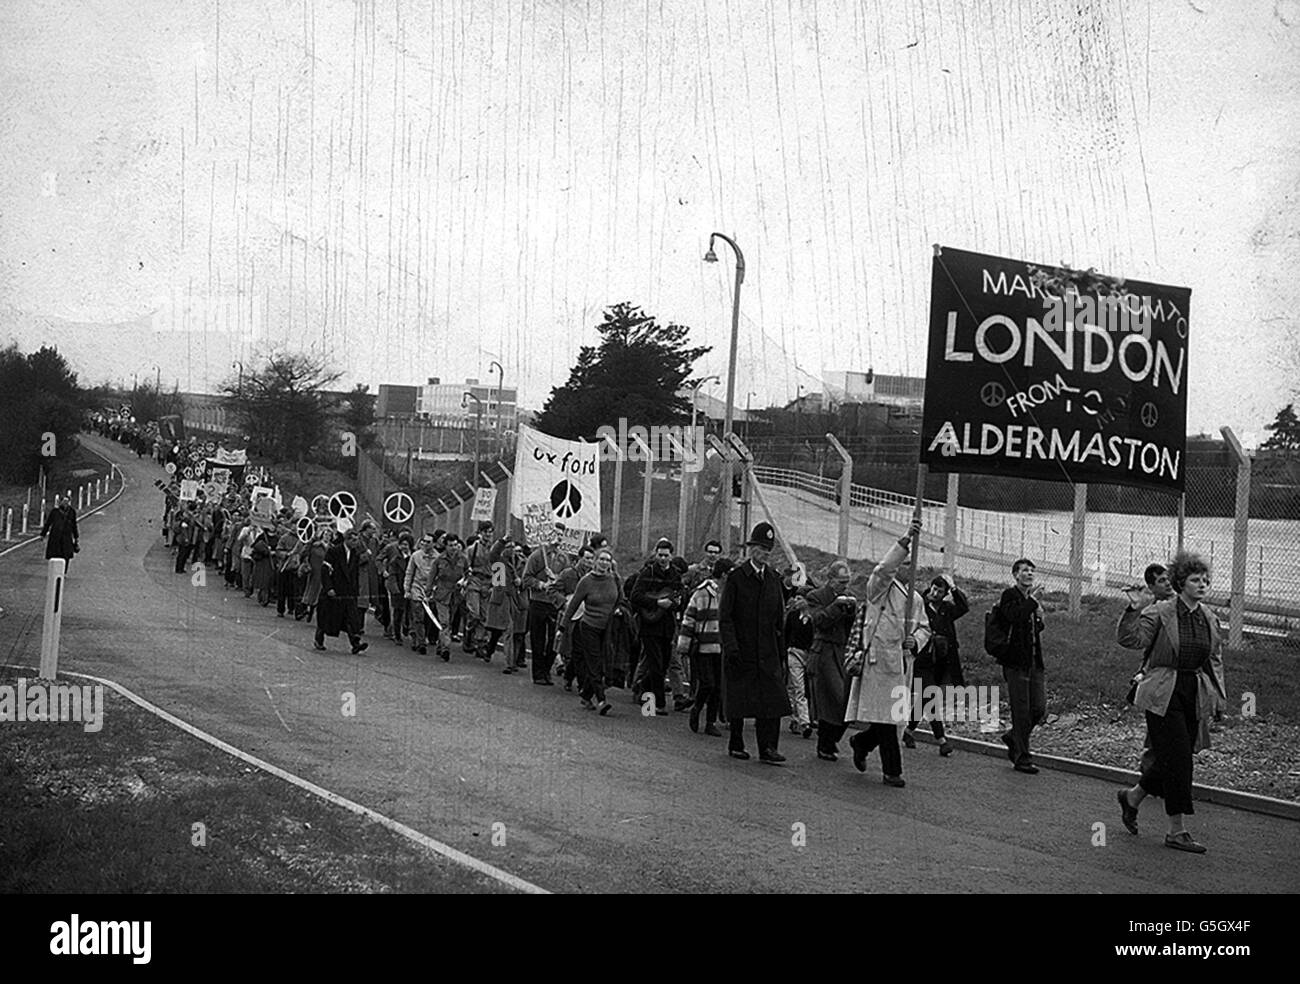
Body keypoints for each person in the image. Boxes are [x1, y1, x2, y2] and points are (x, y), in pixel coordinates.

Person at [1115, 552, 1227, 853]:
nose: (1202, 584)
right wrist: (1133, 610)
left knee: (1171, 759)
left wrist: (1219, 698)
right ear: (1181, 583)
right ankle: (1176, 831)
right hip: (1162, 690)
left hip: (1193, 691)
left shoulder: (1209, 617)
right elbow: (1131, 640)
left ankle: (1132, 797)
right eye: (1195, 580)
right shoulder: (1160, 611)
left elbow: (1214, 660)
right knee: (1179, 760)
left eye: (1205, 580)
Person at [844, 518, 929, 788]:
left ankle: (861, 742)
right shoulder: (878, 589)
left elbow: (926, 627)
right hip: (878, 662)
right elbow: (883, 569)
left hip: (902, 664)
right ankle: (893, 771)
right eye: (902, 561)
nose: (905, 567)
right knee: (888, 718)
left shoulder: (914, 599)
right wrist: (905, 541)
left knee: (890, 718)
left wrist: (915, 641)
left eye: (908, 563)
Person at [718, 523, 792, 764]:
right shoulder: (737, 578)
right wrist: (731, 647)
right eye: (760, 548)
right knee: (740, 699)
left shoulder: (773, 579)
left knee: (771, 701)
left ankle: (768, 747)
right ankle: (736, 742)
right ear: (751, 549)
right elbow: (726, 617)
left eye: (768, 550)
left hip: (768, 651)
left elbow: (778, 619)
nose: (764, 553)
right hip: (743, 649)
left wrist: (781, 652)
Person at [1118, 562, 1176, 774]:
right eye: (1161, 580)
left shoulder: (1186, 606)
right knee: (1161, 733)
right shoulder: (1153, 612)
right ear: (1151, 587)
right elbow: (1130, 639)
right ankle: (1149, 779)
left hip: (1184, 679)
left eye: (1169, 578)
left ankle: (1154, 778)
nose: (1168, 583)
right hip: (1160, 680)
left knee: (1172, 733)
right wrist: (1134, 610)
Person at [992, 558, 1047, 774]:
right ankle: (1022, 756)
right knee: (1021, 710)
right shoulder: (1010, 596)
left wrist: (1040, 619)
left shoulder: (1031, 601)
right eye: (1025, 570)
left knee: (1038, 708)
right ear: (1015, 575)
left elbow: (1033, 628)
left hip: (1034, 661)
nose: (1029, 574)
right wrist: (1032, 601)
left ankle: (1014, 736)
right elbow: (1014, 617)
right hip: (1016, 662)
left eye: (1032, 570)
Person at [905, 574, 969, 756]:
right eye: (933, 588)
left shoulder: (947, 609)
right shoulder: (920, 605)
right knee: (930, 694)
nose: (935, 593)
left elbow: (964, 608)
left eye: (940, 591)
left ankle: (909, 731)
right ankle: (941, 740)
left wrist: (954, 588)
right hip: (922, 659)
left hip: (942, 660)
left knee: (927, 697)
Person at [805, 560, 858, 759]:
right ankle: (825, 743)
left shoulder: (850, 597)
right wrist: (836, 606)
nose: (845, 587)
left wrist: (851, 611)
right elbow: (819, 622)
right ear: (831, 580)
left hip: (842, 651)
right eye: (841, 582)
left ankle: (830, 740)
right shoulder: (816, 596)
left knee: (846, 701)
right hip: (824, 651)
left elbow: (853, 627)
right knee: (833, 699)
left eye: (847, 582)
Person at [561, 547, 622, 715]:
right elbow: (573, 605)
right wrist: (563, 625)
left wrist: (618, 611)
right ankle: (601, 700)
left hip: (607, 628)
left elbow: (620, 600)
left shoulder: (615, 579)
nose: (604, 563)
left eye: (607, 560)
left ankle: (586, 694)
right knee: (594, 663)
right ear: (595, 561)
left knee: (603, 663)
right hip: (588, 627)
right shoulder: (586, 581)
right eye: (601, 559)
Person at [677, 557, 734, 736]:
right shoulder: (703, 593)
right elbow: (689, 618)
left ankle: (710, 722)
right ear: (724, 574)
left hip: (721, 646)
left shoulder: (730, 594)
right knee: (707, 683)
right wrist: (684, 645)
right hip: (703, 646)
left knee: (718, 686)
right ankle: (697, 708)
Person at [630, 538, 686, 715]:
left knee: (662, 665)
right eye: (660, 555)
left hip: (666, 625)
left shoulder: (675, 575)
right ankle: (655, 705)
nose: (662, 559)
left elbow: (680, 600)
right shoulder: (648, 572)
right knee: (654, 663)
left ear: (671, 556)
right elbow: (635, 596)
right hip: (649, 624)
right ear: (656, 554)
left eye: (666, 555)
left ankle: (642, 686)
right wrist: (656, 603)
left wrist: (675, 604)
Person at [315, 527, 370, 655]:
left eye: (357, 540)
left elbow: (354, 574)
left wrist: (356, 591)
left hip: (348, 592)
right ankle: (319, 639)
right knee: (326, 616)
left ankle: (355, 644)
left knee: (350, 618)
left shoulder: (355, 554)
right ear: (347, 540)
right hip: (334, 589)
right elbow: (325, 570)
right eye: (354, 540)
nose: (356, 543)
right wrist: (329, 588)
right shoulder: (334, 551)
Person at [523, 542, 568, 685]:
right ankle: (538, 674)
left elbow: (567, 579)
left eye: (561, 534)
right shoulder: (536, 556)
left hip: (555, 603)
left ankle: (547, 668)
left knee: (554, 640)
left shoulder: (563, 558)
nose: (559, 538)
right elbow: (526, 578)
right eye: (556, 534)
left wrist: (555, 579)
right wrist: (541, 585)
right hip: (538, 601)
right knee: (538, 639)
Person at [782, 570, 817, 741]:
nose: (796, 601)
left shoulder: (813, 619)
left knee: (801, 688)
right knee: (798, 687)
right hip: (793, 653)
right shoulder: (792, 616)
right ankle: (804, 722)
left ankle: (796, 718)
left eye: (799, 598)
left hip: (809, 655)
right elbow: (786, 635)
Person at [482, 537, 525, 671]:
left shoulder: (521, 562)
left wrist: (520, 582)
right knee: (507, 629)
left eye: (513, 547)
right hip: (501, 599)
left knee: (501, 630)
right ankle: (509, 663)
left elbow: (526, 578)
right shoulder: (498, 561)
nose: (511, 550)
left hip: (513, 599)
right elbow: (493, 553)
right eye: (508, 547)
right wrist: (502, 540)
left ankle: (491, 651)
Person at [558, 546, 594, 690]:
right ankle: (579, 682)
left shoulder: (594, 577)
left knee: (582, 651)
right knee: (575, 651)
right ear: (579, 558)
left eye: (592, 559)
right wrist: (564, 602)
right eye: (586, 558)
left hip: (588, 617)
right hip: (572, 617)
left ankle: (570, 676)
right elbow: (553, 589)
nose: (589, 562)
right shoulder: (568, 574)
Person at [463, 522, 496, 655]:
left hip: (488, 582)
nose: (488, 534)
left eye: (490, 532)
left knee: (484, 615)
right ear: (480, 532)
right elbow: (465, 566)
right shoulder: (473, 548)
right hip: (475, 580)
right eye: (485, 531)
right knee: (474, 613)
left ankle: (480, 643)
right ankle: (469, 635)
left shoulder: (495, 549)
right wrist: (465, 579)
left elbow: (498, 567)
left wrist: (497, 586)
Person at [404, 534, 439, 655]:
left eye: (428, 542)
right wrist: (407, 590)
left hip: (431, 590)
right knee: (417, 615)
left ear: (433, 544)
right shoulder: (415, 556)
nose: (425, 544)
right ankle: (420, 641)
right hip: (417, 588)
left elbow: (439, 576)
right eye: (423, 541)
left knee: (428, 616)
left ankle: (422, 636)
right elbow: (409, 573)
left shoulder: (438, 558)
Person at [382, 532, 414, 644]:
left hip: (411, 588)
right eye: (402, 544)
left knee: (411, 611)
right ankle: (397, 635)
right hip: (399, 588)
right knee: (398, 612)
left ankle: (408, 629)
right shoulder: (396, 559)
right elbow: (392, 575)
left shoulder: (414, 557)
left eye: (406, 544)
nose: (404, 547)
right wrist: (395, 589)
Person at [40, 494, 80, 568]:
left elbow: (74, 525)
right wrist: (43, 534)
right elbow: (48, 523)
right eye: (64, 501)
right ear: (60, 502)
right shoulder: (54, 512)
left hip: (66, 537)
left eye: (67, 501)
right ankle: (54, 571)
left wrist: (76, 537)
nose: (65, 503)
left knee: (66, 555)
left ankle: (64, 572)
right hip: (55, 537)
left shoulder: (71, 512)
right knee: (55, 555)